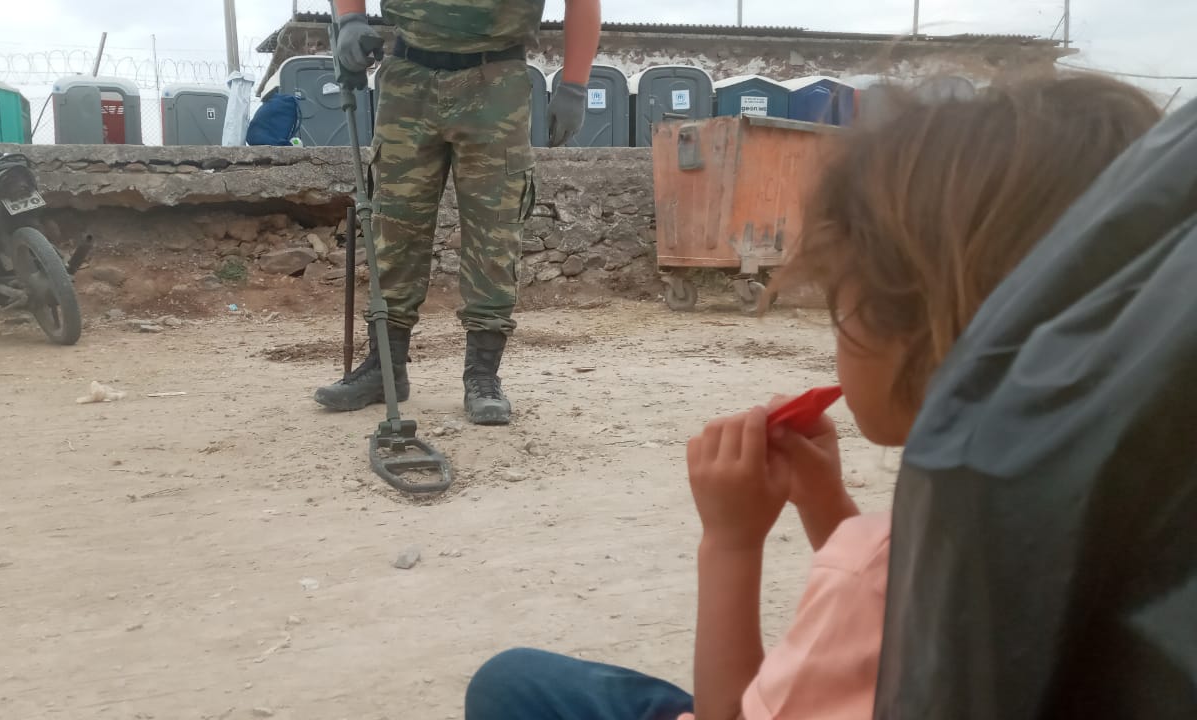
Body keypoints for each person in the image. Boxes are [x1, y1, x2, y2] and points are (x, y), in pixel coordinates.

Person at [461, 72, 1160, 720]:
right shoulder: (1118, 536)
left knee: (511, 687)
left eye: (840, 301)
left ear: (924, 332)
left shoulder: (868, 572)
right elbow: (905, 626)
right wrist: (828, 506)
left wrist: (730, 542)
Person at [315, 0, 602, 426]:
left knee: (494, 231)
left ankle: (482, 377)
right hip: (408, 76)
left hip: (496, 81)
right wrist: (351, 19)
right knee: (395, 226)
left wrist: (576, 83)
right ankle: (384, 369)